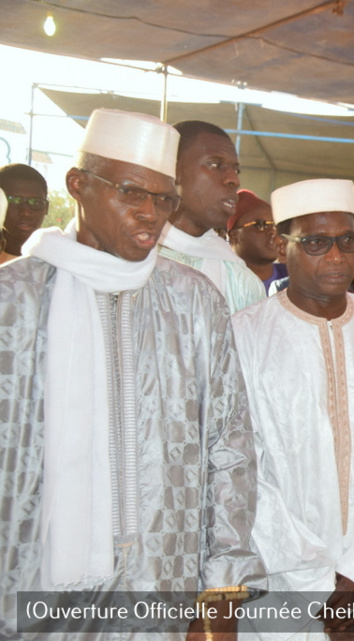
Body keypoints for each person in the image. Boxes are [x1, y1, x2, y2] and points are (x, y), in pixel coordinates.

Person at [0, 108, 265, 639]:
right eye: (130, 193)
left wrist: (221, 593)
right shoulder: (16, 298)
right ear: (79, 185)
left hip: (162, 587)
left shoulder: (194, 302)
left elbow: (230, 448)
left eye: (163, 198)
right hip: (32, 587)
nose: (150, 213)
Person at [233, 178, 354, 638]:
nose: (339, 256)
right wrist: (320, 587)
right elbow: (245, 472)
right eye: (318, 242)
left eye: (349, 240)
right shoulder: (245, 335)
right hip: (282, 589)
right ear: (283, 246)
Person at [159, 120, 264, 313]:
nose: (234, 179)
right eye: (215, 164)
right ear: (173, 170)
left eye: (236, 170)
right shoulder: (132, 259)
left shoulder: (239, 280)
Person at [227, 188, 287, 294]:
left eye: (274, 225)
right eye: (260, 225)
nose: (272, 232)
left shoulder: (294, 278)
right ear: (234, 236)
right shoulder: (223, 281)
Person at [0, 163, 49, 262]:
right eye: (15, 201)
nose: (26, 212)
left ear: (46, 208)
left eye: (36, 202)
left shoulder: (57, 264)